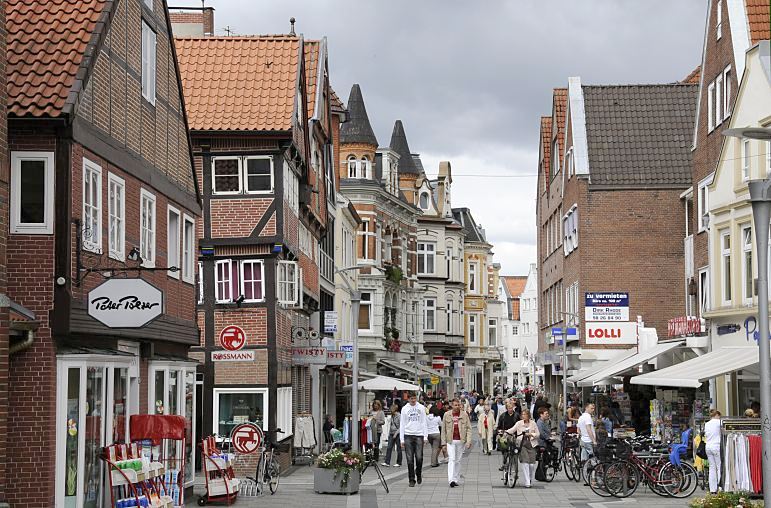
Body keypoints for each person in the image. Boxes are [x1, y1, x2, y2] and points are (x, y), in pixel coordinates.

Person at [441, 398, 472, 488]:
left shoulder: (464, 415)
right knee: (452, 459)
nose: (457, 406)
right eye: (455, 405)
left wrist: (468, 441)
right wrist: (443, 443)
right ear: (452, 405)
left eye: (458, 405)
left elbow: (469, 428)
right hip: (450, 440)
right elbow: (443, 430)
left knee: (458, 460)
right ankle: (451, 480)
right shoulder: (447, 415)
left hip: (461, 440)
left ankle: (455, 478)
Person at [400, 393, 428, 487]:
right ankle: (411, 479)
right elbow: (402, 424)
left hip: (419, 434)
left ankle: (418, 473)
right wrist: (401, 439)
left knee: (419, 457)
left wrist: (425, 436)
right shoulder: (404, 409)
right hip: (408, 434)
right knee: (409, 459)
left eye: (414, 399)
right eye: (411, 399)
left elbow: (424, 422)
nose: (413, 400)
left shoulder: (421, 408)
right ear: (408, 399)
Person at [508, 409, 539, 488]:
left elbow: (538, 434)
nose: (523, 416)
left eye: (525, 414)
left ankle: (530, 478)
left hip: (531, 444)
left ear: (528, 415)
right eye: (523, 414)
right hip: (522, 445)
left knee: (531, 464)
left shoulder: (533, 423)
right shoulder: (519, 423)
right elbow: (512, 430)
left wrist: (531, 434)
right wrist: (505, 432)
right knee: (525, 462)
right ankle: (527, 481)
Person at [497, 401, 520, 471]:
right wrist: (499, 431)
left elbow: (520, 425)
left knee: (515, 450)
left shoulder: (517, 415)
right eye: (509, 408)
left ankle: (514, 463)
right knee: (504, 449)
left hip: (514, 435)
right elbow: (499, 426)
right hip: (505, 434)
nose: (510, 409)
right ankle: (504, 463)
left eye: (511, 408)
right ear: (506, 408)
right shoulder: (503, 416)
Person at [704, 409, 722, 494]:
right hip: (716, 446)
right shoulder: (719, 422)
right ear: (717, 415)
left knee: (712, 468)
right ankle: (720, 487)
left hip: (708, 447)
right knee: (719, 467)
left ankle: (712, 489)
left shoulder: (706, 424)